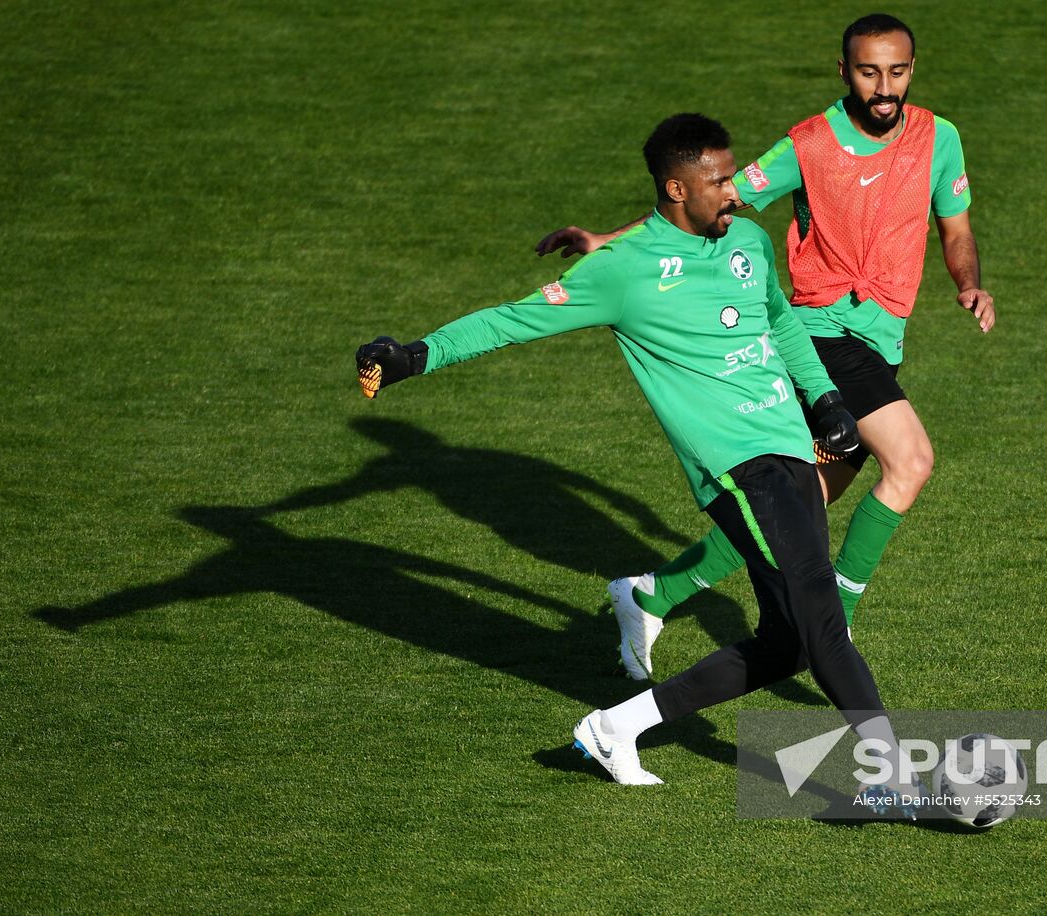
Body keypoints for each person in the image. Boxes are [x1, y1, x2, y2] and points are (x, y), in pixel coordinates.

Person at [355, 113, 916, 806]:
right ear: (676, 190)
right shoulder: (624, 272)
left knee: (790, 644)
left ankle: (615, 728)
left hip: (792, 457)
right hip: (740, 472)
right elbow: (512, 318)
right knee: (823, 619)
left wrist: (827, 396)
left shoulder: (747, 239)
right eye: (717, 181)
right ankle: (895, 779)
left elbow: (777, 320)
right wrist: (414, 356)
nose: (735, 192)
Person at [537, 13, 995, 682]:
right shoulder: (809, 145)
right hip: (821, 332)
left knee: (807, 498)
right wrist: (610, 241)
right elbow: (717, 199)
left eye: (896, 71)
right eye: (869, 72)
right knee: (912, 460)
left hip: (881, 338)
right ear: (845, 72)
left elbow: (955, 228)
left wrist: (969, 284)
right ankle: (833, 621)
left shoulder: (938, 138)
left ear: (911, 71)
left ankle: (652, 594)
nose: (884, 86)